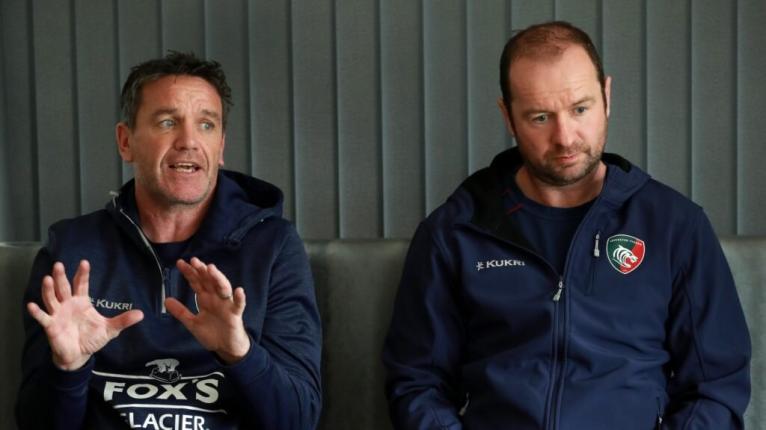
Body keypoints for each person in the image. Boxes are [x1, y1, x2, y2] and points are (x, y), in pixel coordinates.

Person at [382, 21, 750, 429]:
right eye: (540, 117)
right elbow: (417, 383)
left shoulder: (674, 226)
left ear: (606, 96)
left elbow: (716, 387)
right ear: (508, 117)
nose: (565, 137)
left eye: (580, 109)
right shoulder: (456, 233)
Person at [16, 52, 321, 429]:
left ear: (221, 147)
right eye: (167, 122)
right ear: (125, 142)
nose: (189, 141)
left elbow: (298, 420)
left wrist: (239, 352)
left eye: (206, 125)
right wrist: (68, 368)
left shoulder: (273, 247)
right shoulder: (70, 250)